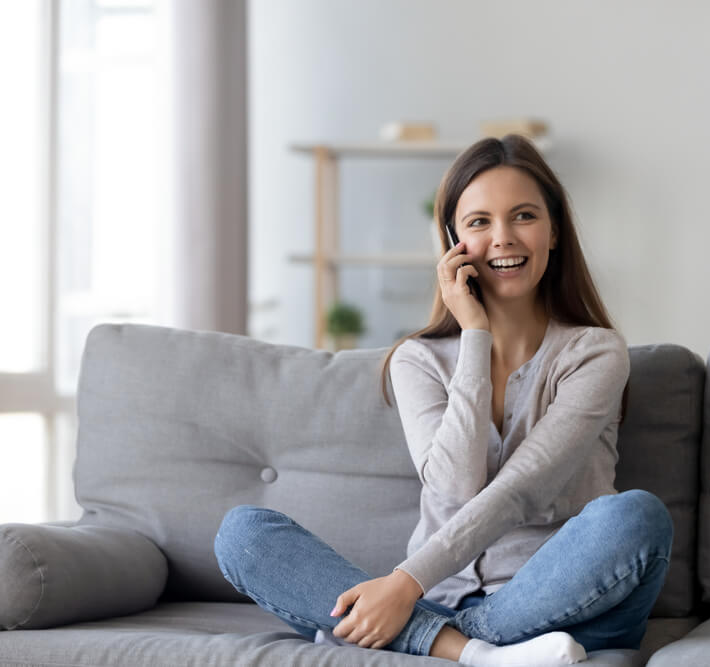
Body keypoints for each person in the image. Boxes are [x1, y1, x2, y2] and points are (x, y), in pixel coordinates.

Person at [214, 134, 673, 666]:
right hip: (444, 595)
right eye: (479, 222)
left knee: (635, 516)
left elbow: (524, 490)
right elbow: (455, 487)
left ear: (554, 233)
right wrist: (474, 337)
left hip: (561, 609)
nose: (503, 238)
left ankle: (421, 639)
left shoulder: (595, 353)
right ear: (453, 240)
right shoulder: (418, 360)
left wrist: (402, 587)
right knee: (243, 534)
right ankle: (476, 653)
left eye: (523, 216)